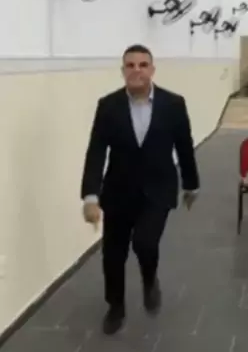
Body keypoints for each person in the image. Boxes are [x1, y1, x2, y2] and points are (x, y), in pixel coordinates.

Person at [81, 44, 199, 335]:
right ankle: (115, 307)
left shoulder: (173, 104)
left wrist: (191, 184)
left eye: (143, 65)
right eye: (130, 65)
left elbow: (184, 146)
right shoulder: (108, 106)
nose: (137, 70)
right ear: (122, 71)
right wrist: (91, 196)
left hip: (158, 190)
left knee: (145, 243)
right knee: (113, 254)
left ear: (152, 70)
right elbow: (96, 151)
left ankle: (149, 279)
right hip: (118, 191)